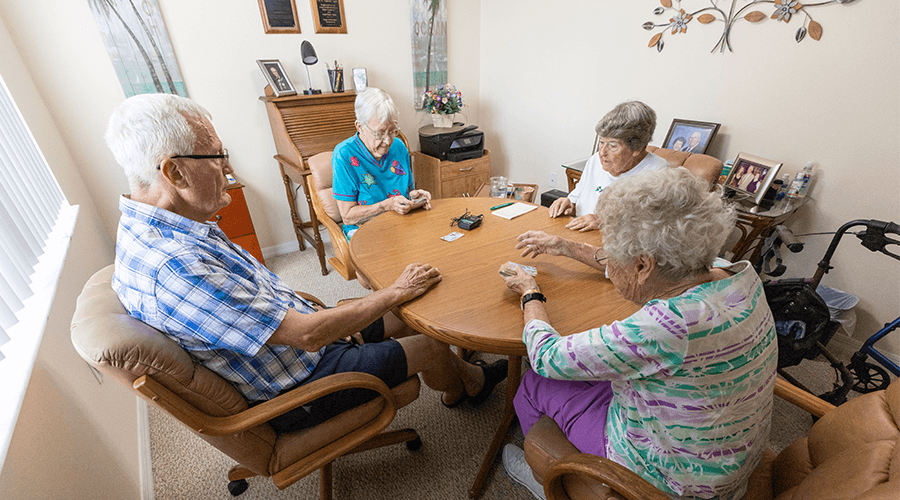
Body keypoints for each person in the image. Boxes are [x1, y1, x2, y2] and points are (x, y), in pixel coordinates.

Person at [105, 93, 508, 434]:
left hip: (301, 337)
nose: (228, 168)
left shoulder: (162, 230)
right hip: (302, 382)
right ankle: (471, 386)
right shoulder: (175, 267)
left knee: (410, 312)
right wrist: (393, 290)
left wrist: (361, 306)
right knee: (426, 340)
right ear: (173, 171)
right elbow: (307, 337)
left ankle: (458, 382)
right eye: (217, 156)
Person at [499, 167, 777, 500]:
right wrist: (564, 246)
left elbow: (547, 357)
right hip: (729, 454)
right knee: (589, 376)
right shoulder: (733, 273)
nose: (605, 258)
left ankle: (547, 480)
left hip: (675, 480)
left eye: (609, 253)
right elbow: (646, 263)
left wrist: (530, 292)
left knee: (534, 382)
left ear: (643, 267)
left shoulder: (664, 326)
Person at [548, 101, 668, 232]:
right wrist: (568, 204)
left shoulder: (659, 174)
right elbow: (577, 201)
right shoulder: (595, 161)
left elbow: (654, 231)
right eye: (601, 142)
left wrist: (604, 221)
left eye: (613, 145)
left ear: (637, 148)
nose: (602, 152)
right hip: (578, 237)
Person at [332, 88, 432, 239]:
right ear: (360, 127)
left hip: (401, 222)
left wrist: (416, 197)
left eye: (393, 131)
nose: (388, 141)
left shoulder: (399, 147)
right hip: (364, 228)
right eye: (379, 133)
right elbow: (348, 216)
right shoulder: (343, 155)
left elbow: (407, 191)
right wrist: (386, 205)